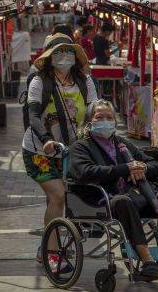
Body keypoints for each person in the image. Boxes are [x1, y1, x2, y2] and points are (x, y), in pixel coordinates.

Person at [69, 100, 158, 281]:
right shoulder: (80, 146)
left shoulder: (122, 144)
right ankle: (146, 259)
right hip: (103, 201)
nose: (105, 121)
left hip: (135, 196)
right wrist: (126, 168)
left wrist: (143, 169)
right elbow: (84, 172)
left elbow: (155, 165)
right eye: (99, 117)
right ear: (89, 121)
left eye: (110, 117)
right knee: (122, 202)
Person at [22, 33, 97, 266]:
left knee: (63, 198)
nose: (64, 56)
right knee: (57, 195)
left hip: (73, 150)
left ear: (75, 55)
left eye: (68, 51)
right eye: (58, 52)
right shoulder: (39, 82)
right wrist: (45, 138)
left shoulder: (85, 81)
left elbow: (96, 109)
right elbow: (33, 115)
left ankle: (44, 247)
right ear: (49, 56)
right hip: (40, 151)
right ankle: (52, 254)